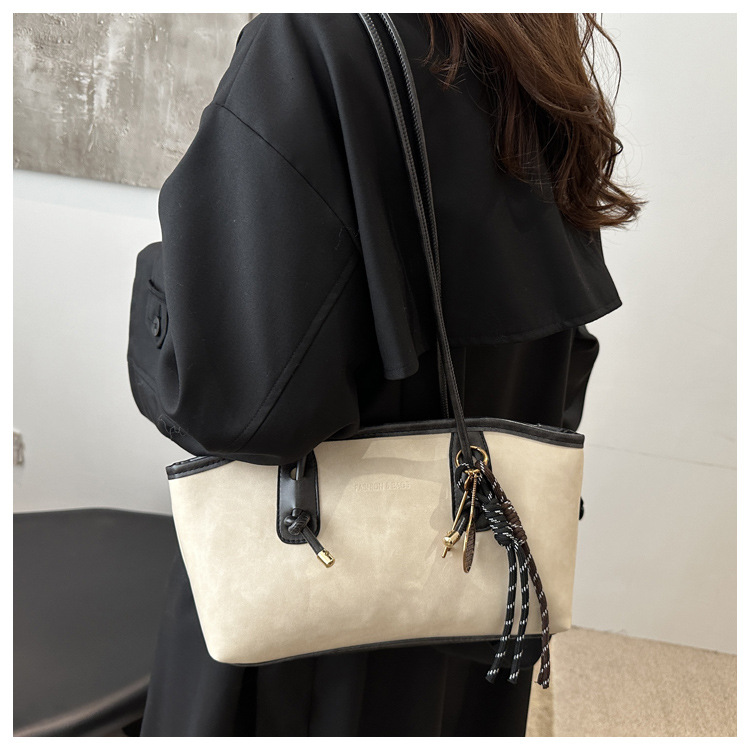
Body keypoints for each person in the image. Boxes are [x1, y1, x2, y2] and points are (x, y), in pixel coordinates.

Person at [127, 13, 642, 737]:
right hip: (478, 595)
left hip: (307, 625)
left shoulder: (309, 39)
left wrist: (160, 284)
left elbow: (238, 404)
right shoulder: (530, 41)